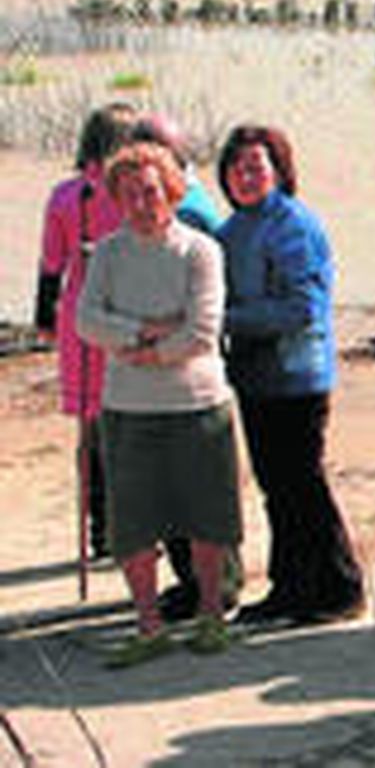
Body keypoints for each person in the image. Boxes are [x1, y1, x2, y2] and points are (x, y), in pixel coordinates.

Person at [75, 141, 242, 668]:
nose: (142, 204)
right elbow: (86, 321)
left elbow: (202, 331)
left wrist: (147, 352)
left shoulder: (200, 250)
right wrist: (144, 331)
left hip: (197, 403)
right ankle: (148, 625)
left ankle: (212, 614)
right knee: (134, 522)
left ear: (171, 190)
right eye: (129, 194)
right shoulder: (107, 253)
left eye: (150, 192)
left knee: (208, 516)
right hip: (128, 407)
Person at [218, 125, 365, 627]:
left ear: (279, 171)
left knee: (303, 484)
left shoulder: (293, 223)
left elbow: (303, 307)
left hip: (298, 375)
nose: (245, 176)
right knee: (276, 487)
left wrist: (225, 319)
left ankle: (340, 588)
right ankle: (290, 587)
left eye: (256, 167)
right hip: (254, 377)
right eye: (236, 168)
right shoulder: (231, 230)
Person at [129, 113, 241, 622]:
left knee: (197, 481)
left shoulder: (189, 213)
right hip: (158, 367)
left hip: (188, 368)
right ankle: (193, 583)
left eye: (153, 154)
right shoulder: (156, 208)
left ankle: (216, 587)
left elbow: (195, 304)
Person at [35, 102, 138, 564]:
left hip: (79, 318)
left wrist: (44, 319)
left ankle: (102, 528)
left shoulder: (64, 195)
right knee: (128, 422)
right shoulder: (131, 192)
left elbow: (49, 266)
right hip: (123, 312)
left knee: (92, 429)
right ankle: (126, 523)